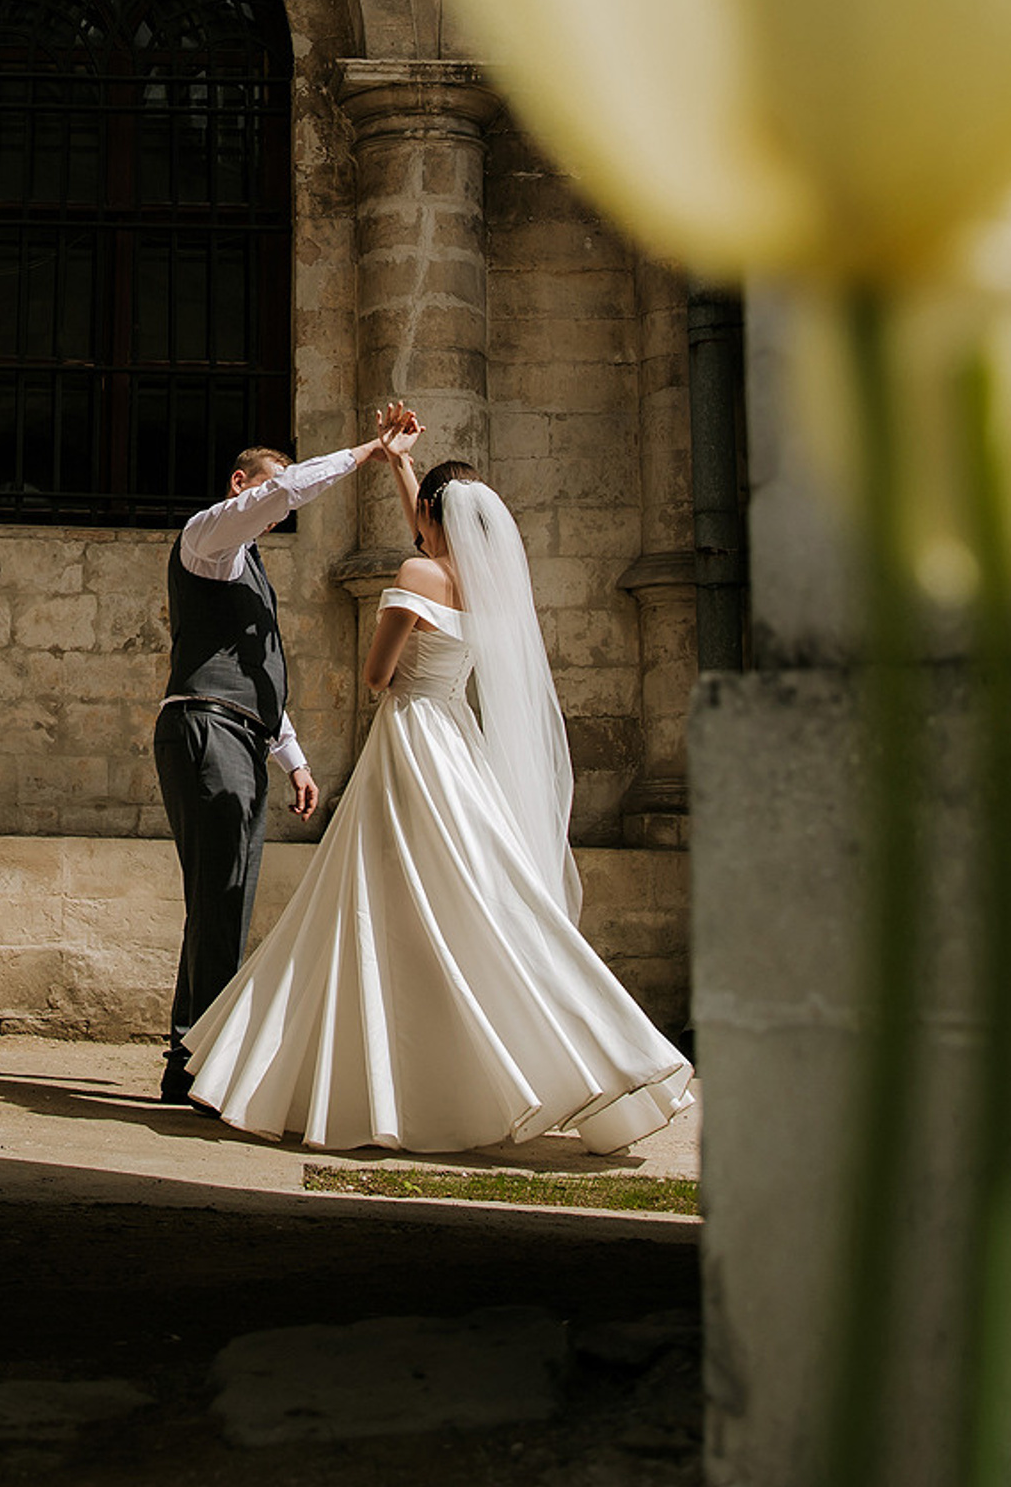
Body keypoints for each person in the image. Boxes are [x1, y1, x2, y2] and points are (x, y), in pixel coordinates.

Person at [180, 416, 692, 1154]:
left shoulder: (416, 577)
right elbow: (432, 543)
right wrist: (401, 468)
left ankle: (374, 1082)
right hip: (456, 737)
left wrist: (390, 482)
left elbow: (376, 676)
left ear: (430, 518)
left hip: (410, 737)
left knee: (382, 891)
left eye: (419, 512)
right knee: (470, 889)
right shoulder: (487, 588)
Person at [152, 412, 415, 1106]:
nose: (278, 511)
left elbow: (258, 672)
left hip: (241, 733)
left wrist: (292, 758)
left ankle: (192, 1057)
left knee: (228, 896)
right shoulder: (207, 538)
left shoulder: (251, 570)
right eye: (267, 492)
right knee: (220, 896)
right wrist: (368, 452)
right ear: (240, 484)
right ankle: (194, 1061)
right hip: (206, 726)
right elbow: (285, 491)